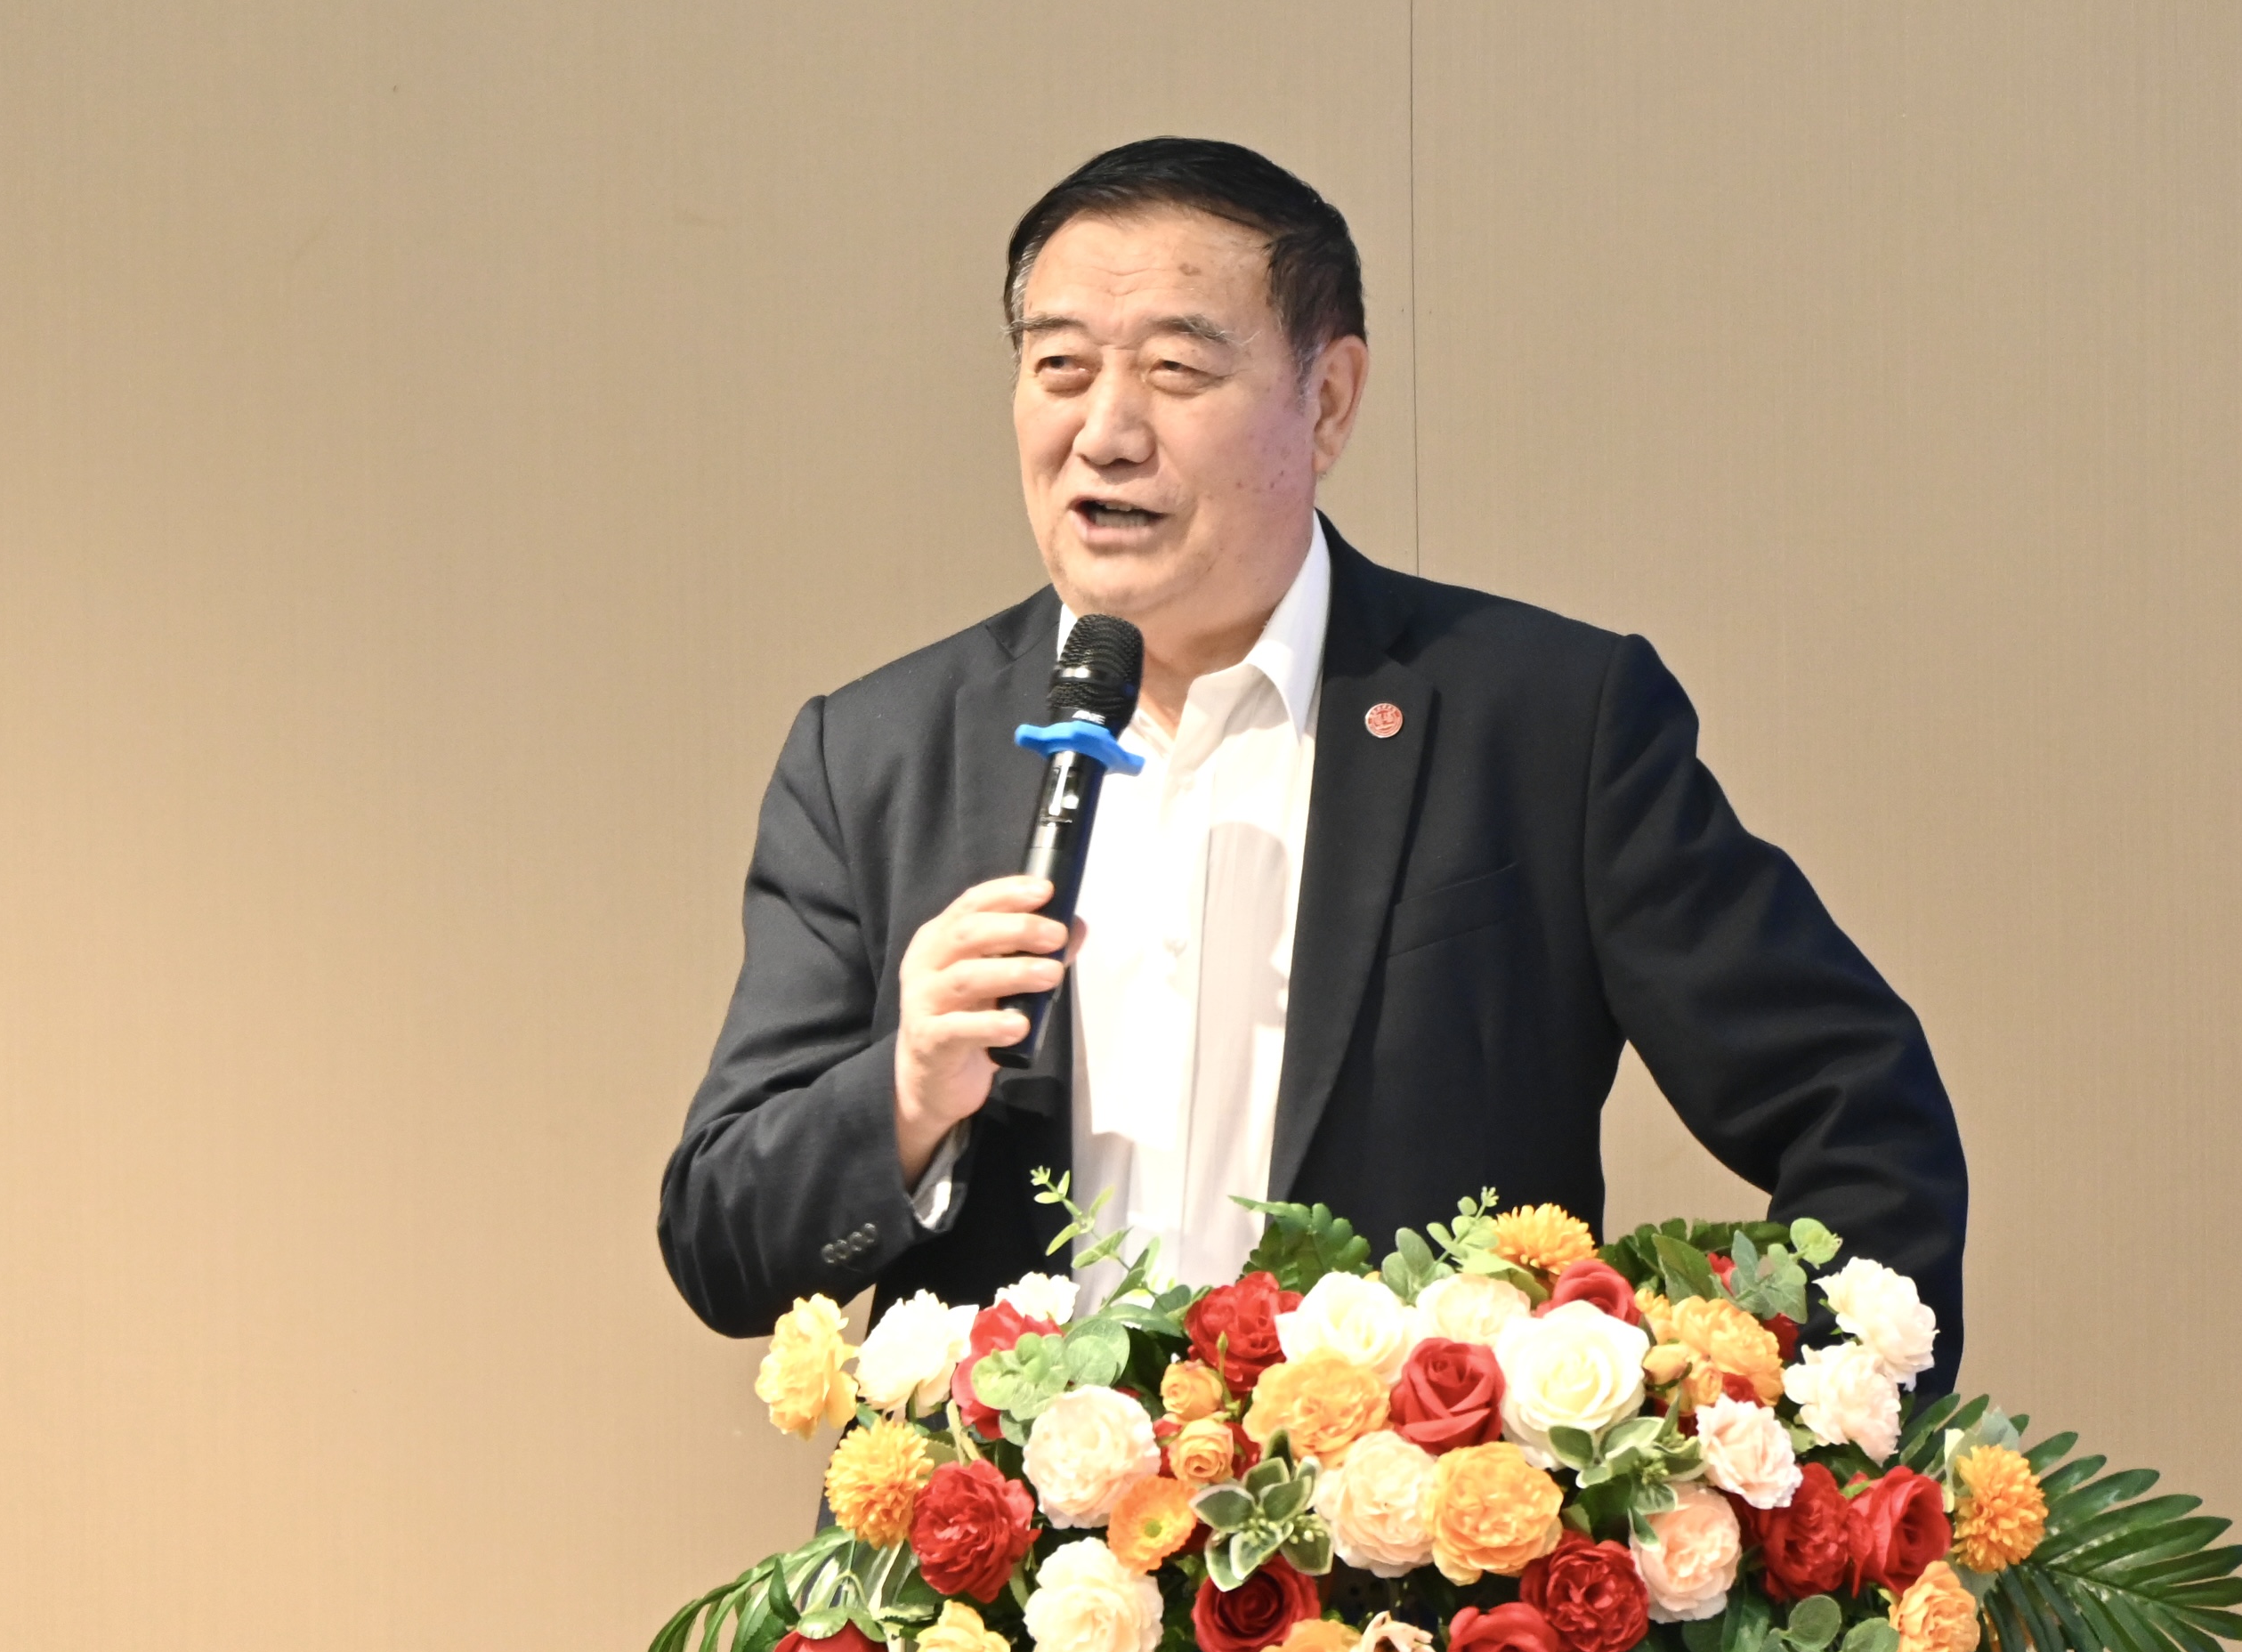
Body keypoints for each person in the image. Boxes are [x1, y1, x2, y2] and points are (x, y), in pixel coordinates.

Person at [657, 138, 1966, 1381]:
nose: (1104, 431)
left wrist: (1786, 1463)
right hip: (999, 1543)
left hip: (1408, 1540)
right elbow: (723, 1244)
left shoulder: (1544, 725)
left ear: (1326, 401)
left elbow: (1858, 1107)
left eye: (1175, 370)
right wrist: (901, 1097)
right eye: (1059, 367)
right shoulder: (876, 754)